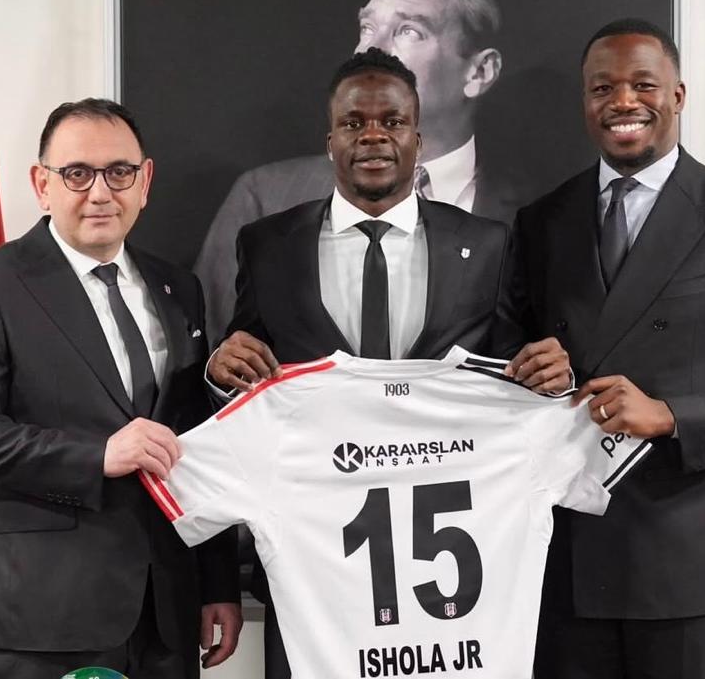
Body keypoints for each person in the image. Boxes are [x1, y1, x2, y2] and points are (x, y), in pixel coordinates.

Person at [208, 48, 570, 679]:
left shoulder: (486, 245)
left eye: (392, 122)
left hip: (449, 573)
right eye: (353, 123)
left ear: (417, 140)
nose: (372, 136)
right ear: (330, 140)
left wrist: (549, 381)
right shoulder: (267, 246)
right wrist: (221, 373)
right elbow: (246, 375)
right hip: (311, 569)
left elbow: (513, 380)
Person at [511, 19, 705, 679]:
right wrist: (532, 371)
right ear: (586, 101)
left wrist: (670, 415)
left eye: (643, 85)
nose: (623, 101)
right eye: (603, 88)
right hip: (566, 555)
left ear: (678, 96)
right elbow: (509, 357)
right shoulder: (542, 221)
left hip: (693, 558)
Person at [0, 98, 242, 679]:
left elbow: (199, 438)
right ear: (42, 185)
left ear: (144, 181)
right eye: (77, 173)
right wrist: (98, 456)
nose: (100, 193)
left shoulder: (179, 288)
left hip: (166, 615)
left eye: (119, 172)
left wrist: (217, 582)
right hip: (44, 619)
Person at [196, 0, 530, 343]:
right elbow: (218, 349)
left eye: (409, 31)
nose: (370, 48)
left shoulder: (531, 222)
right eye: (367, 27)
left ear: (480, 72)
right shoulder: (264, 199)